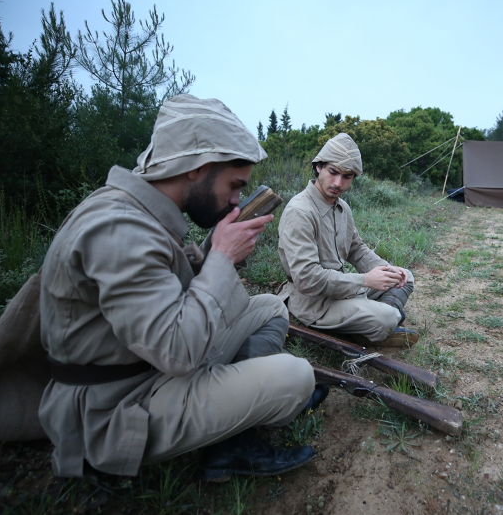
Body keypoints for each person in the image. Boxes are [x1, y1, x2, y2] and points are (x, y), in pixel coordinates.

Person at [39, 95, 322, 482]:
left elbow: (166, 298)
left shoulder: (140, 212)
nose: (236, 200)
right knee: (295, 377)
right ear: (198, 168)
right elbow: (177, 352)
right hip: (115, 406)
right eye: (234, 185)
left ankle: (234, 426)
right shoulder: (119, 227)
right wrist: (221, 257)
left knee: (270, 308)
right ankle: (238, 421)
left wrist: (214, 255)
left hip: (149, 365)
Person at [278, 133, 418, 347]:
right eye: (333, 172)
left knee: (405, 276)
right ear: (319, 167)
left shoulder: (342, 207)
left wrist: (387, 270)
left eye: (347, 176)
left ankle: (374, 321)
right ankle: (381, 321)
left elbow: (357, 249)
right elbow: (307, 279)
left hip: (343, 289)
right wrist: (365, 280)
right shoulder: (300, 211)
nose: (338, 183)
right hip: (314, 302)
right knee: (386, 317)